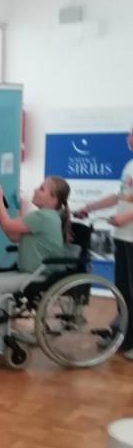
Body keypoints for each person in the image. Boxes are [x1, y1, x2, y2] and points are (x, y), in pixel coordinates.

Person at [0, 176, 71, 354]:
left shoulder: (43, 217)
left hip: (37, 275)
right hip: (29, 272)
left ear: (53, 199)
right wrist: (0, 209)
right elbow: (13, 235)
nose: (36, 190)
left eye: (41, 189)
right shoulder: (45, 217)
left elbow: (8, 224)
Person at [76, 129, 133, 358]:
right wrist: (89, 207)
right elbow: (120, 196)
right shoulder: (129, 165)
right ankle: (124, 334)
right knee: (123, 290)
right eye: (129, 134)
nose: (129, 138)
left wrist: (126, 217)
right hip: (122, 236)